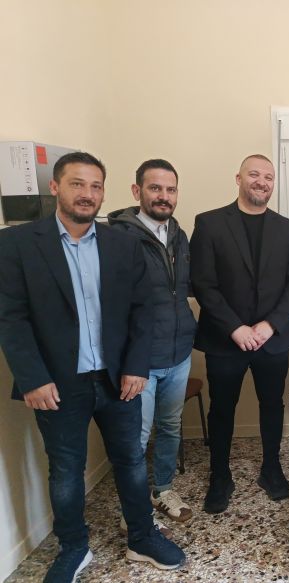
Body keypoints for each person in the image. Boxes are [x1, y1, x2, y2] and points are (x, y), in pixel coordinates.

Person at [0, 152, 186, 582]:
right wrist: (32, 378)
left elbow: (141, 310)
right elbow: (11, 318)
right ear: (55, 187)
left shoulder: (122, 244)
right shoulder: (17, 244)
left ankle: (141, 536)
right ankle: (73, 548)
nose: (87, 194)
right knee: (66, 471)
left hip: (118, 379)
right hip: (56, 384)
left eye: (95, 186)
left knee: (131, 460)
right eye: (77, 184)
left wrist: (136, 367)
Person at [190, 154, 289, 513]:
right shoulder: (209, 223)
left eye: (268, 177)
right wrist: (235, 327)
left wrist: (270, 324)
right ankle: (220, 475)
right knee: (221, 409)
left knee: (272, 405)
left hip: (273, 339)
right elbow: (203, 283)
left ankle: (271, 468)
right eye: (254, 174)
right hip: (224, 339)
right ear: (238, 178)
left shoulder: (288, 229)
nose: (261, 182)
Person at [108, 159, 197, 525]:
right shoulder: (118, 238)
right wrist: (130, 361)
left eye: (170, 189)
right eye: (155, 188)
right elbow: (113, 305)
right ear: (137, 191)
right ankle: (134, 510)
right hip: (139, 360)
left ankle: (162, 490)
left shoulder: (178, 234)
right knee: (137, 436)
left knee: (170, 426)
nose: (164, 196)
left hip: (178, 352)